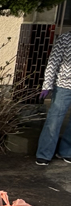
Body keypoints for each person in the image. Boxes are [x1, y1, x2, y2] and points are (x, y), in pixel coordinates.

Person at [36, 32, 71, 165]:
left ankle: (67, 151)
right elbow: (53, 61)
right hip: (64, 86)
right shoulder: (65, 38)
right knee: (54, 120)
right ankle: (44, 153)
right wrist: (47, 85)